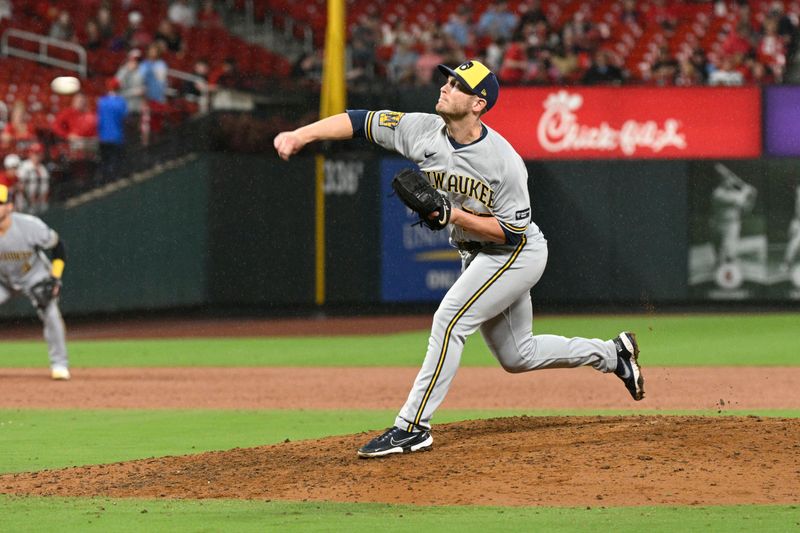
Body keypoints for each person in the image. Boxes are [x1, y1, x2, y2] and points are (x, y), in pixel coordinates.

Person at [273, 59, 645, 458]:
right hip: (475, 254)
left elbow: (512, 231)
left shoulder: (504, 161)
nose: (446, 87)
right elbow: (359, 121)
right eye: (448, 80)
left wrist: (454, 216)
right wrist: (300, 135)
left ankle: (412, 426)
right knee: (520, 356)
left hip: (515, 253)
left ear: (478, 104)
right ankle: (612, 354)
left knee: (450, 320)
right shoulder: (420, 130)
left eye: (457, 85)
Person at [0, 183, 70, 380]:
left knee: (51, 313)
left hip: (34, 277)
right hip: (2, 281)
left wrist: (55, 277)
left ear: (10, 207)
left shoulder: (30, 226)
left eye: (0, 203)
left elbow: (58, 247)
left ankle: (59, 365)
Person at [710, 163, 757, 267]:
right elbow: (739, 199)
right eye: (727, 179)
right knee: (718, 254)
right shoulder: (718, 193)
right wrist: (746, 191)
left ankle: (730, 268)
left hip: (732, 225)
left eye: (730, 179)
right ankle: (719, 268)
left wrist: (753, 196)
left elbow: (747, 208)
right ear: (722, 181)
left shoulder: (735, 193)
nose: (730, 181)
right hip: (718, 224)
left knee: (730, 252)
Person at [96, 77, 128, 184]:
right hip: (116, 137)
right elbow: (124, 117)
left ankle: (104, 180)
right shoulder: (120, 102)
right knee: (115, 161)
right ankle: (113, 180)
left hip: (103, 137)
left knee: (105, 161)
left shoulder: (101, 102)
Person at [16, 143, 50, 214]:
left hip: (39, 205)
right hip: (24, 205)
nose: (36, 156)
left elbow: (45, 189)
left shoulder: (43, 169)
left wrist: (42, 200)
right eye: (34, 153)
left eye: (38, 153)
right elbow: (19, 186)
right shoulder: (23, 167)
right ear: (29, 154)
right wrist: (29, 199)